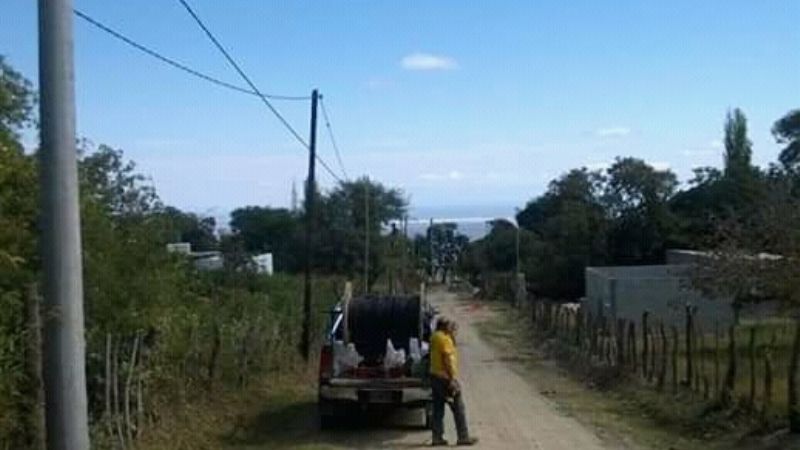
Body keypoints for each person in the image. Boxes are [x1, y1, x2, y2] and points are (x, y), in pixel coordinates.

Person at [429, 316, 478, 446]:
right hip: (445, 378)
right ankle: (463, 436)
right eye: (452, 328)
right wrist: (452, 379)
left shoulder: (434, 337)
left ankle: (437, 437)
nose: (453, 331)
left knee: (438, 408)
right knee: (458, 407)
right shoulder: (445, 339)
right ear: (445, 327)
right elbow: (447, 359)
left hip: (435, 376)